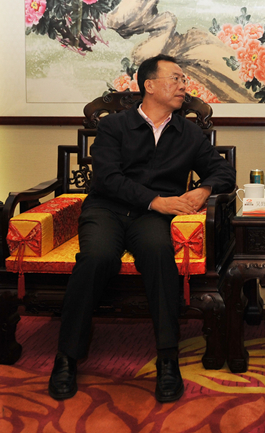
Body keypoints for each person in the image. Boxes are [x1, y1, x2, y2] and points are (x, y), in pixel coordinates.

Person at [48, 54, 236, 402]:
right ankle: (67, 357)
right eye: (175, 79)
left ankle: (168, 358)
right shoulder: (114, 126)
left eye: (184, 80)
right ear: (149, 85)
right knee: (96, 258)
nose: (183, 86)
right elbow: (107, 178)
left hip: (151, 218)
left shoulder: (188, 132)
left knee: (158, 253)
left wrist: (203, 190)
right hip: (107, 208)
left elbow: (223, 171)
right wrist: (156, 200)